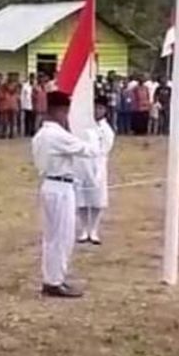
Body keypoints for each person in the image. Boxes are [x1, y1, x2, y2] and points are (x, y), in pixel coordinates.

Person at [32, 90, 99, 298]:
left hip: (50, 185)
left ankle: (51, 278)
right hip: (60, 187)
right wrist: (92, 132)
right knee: (62, 237)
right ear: (60, 111)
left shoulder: (41, 134)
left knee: (52, 237)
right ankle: (55, 280)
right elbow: (90, 151)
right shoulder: (56, 135)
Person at [75, 95, 116, 245]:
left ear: (105, 110)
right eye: (95, 108)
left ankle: (94, 229)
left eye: (100, 108)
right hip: (81, 164)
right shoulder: (83, 126)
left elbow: (105, 149)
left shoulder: (106, 129)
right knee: (82, 199)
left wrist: (97, 164)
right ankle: (84, 228)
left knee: (97, 199)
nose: (97, 111)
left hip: (97, 164)